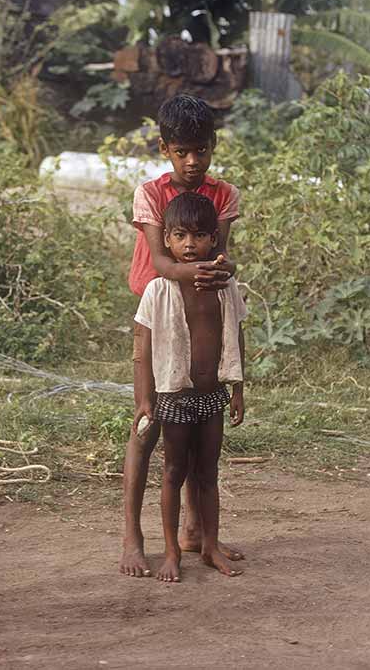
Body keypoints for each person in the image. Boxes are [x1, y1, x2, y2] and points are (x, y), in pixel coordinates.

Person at [121, 94, 243, 578]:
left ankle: (195, 533)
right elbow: (165, 264)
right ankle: (133, 535)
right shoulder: (149, 194)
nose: (192, 162)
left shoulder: (225, 194)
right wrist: (213, 270)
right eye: (181, 152)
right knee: (147, 424)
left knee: (197, 430)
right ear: (164, 148)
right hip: (160, 310)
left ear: (213, 146)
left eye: (201, 151)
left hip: (204, 315)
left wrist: (224, 269)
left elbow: (221, 259)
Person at [134, 193, 247, 582]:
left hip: (212, 395)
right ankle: (171, 551)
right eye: (179, 236)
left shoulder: (225, 287)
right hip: (173, 396)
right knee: (173, 472)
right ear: (166, 239)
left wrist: (238, 388)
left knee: (209, 473)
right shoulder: (158, 290)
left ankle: (211, 545)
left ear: (214, 239)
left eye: (199, 236)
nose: (189, 245)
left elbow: (236, 335)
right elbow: (142, 350)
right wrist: (145, 398)